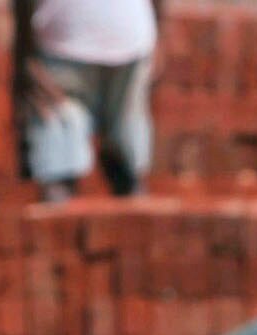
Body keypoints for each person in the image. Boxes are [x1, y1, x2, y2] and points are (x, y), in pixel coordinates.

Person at [14, 0, 160, 201]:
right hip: (124, 37)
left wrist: (24, 54)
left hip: (66, 42)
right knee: (126, 162)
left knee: (60, 169)